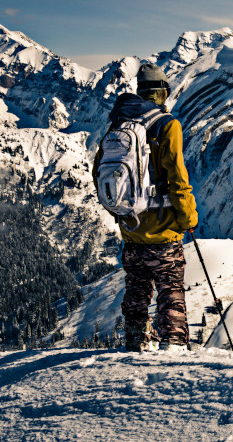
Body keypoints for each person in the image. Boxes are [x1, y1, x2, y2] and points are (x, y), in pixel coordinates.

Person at [93, 63, 198, 352]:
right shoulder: (167, 125)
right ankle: (173, 343)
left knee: (137, 288)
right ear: (163, 92)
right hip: (163, 229)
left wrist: (122, 211)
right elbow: (178, 176)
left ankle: (136, 340)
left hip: (131, 227)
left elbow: (98, 173)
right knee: (170, 288)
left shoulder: (119, 124)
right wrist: (187, 217)